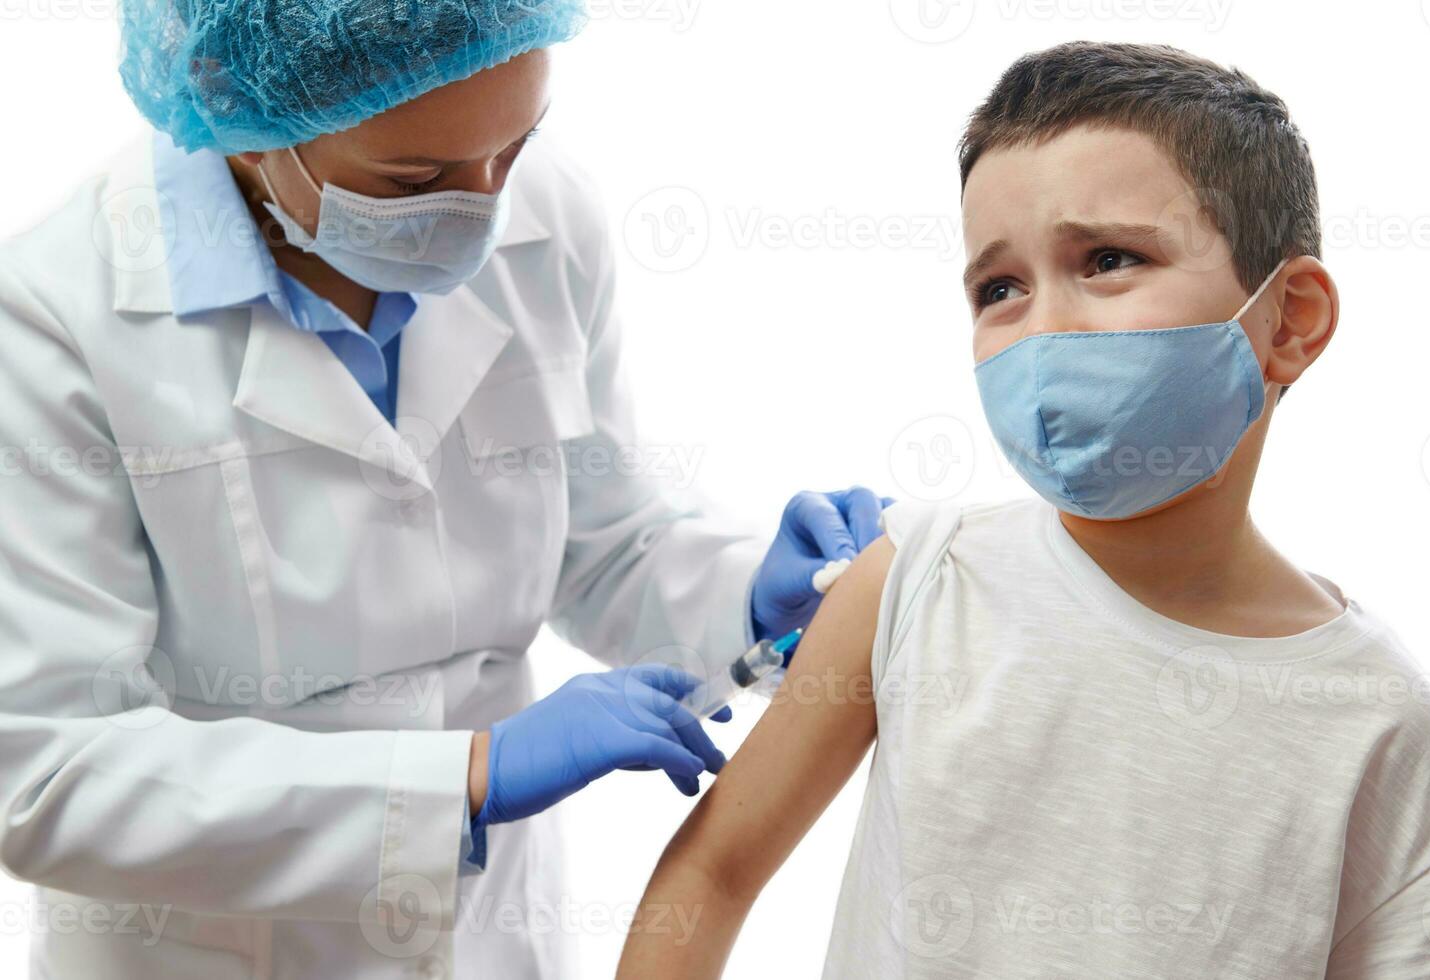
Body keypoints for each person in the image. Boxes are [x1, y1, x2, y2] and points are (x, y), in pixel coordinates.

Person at [0, 1, 888, 977]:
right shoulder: (50, 317)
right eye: (414, 179)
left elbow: (600, 535)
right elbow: (47, 773)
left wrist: (745, 593)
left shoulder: (545, 213)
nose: (483, 207)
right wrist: (464, 777)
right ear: (243, 123)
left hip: (490, 937)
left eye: (516, 146)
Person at [616, 42, 1430, 979]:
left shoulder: (1371, 713)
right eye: (1000, 289)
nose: (1044, 332)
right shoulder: (920, 579)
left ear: (1289, 318)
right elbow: (712, 875)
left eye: (1108, 260)